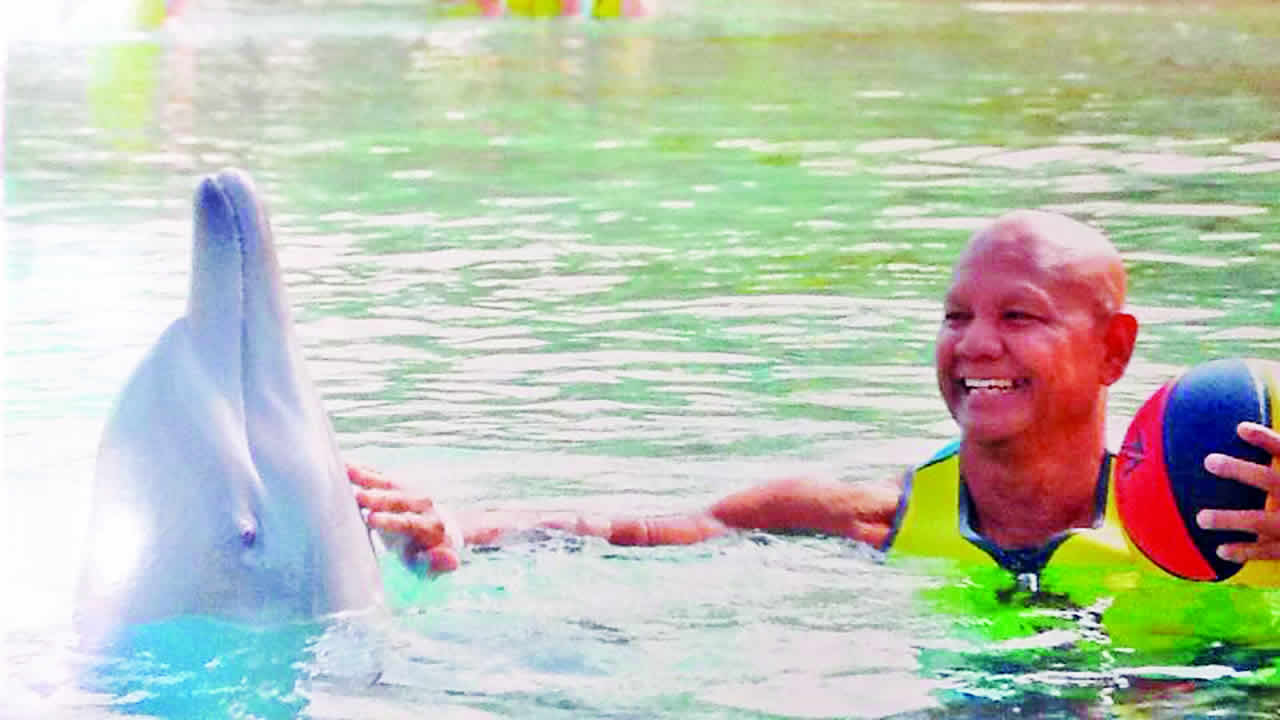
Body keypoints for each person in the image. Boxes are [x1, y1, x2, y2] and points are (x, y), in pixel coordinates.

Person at [350, 210, 1280, 582]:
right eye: (955, 317)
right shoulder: (868, 523)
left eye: (1020, 317)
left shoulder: (1239, 524)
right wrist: (455, 526)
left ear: (1114, 350)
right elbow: (627, 527)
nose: (975, 346)